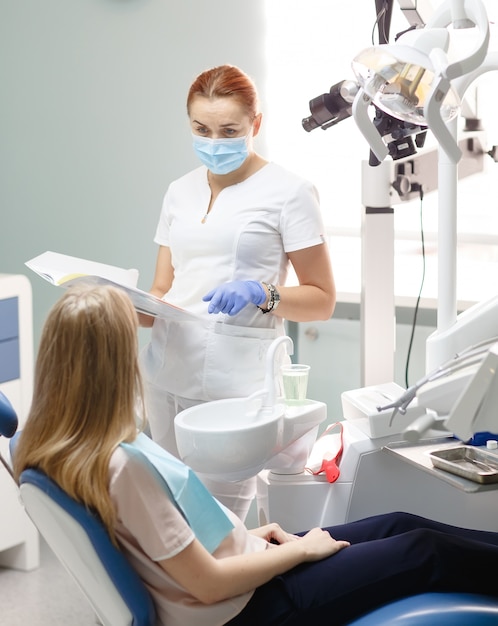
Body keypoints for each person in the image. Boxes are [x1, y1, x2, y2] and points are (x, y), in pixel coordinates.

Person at [13, 284, 498, 626]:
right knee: (422, 551)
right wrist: (300, 552)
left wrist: (244, 537)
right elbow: (206, 586)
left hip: (246, 568)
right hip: (251, 608)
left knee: (397, 523)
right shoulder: (120, 466)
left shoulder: (60, 450)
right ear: (114, 366)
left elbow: (172, 543)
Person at [139, 64, 336, 520]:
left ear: (256, 124)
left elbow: (322, 299)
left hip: (237, 385)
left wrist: (262, 292)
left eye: (229, 130)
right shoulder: (178, 192)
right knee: (167, 517)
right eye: (201, 129)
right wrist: (122, 305)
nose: (213, 141)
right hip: (166, 374)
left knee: (216, 524)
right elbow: (163, 290)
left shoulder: (290, 192)